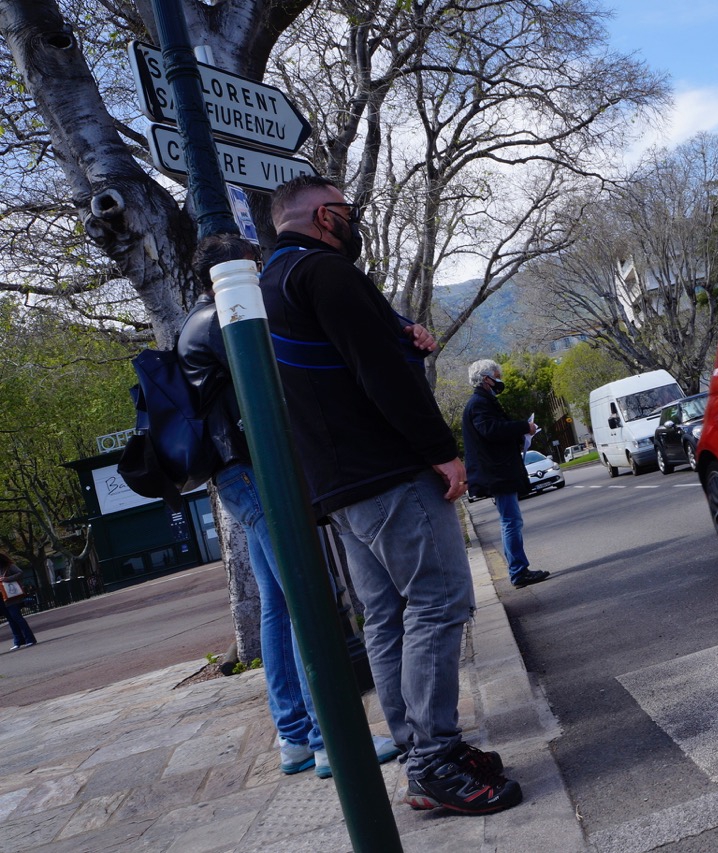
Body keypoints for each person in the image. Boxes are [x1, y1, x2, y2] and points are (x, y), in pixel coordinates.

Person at [260, 175, 521, 815]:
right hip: (388, 472)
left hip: (340, 487)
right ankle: (434, 758)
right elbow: (375, 372)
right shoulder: (326, 273)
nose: (354, 223)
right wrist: (440, 449)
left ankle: (419, 753)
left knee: (386, 616)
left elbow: (340, 362)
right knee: (438, 601)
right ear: (326, 216)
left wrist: (402, 332)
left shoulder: (272, 284)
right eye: (348, 213)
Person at [179, 233, 401, 779]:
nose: (259, 276)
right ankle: (332, 740)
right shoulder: (224, 321)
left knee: (279, 604)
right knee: (309, 595)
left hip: (236, 477)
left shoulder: (195, 323)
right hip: (256, 475)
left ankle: (295, 737)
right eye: (252, 266)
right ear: (230, 271)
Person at [462, 359, 551, 589]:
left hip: (497, 471)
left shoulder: (482, 402)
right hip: (497, 472)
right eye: (496, 375)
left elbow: (493, 432)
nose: (499, 378)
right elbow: (491, 430)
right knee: (511, 520)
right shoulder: (480, 403)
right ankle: (519, 571)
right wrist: (523, 427)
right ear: (486, 380)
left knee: (510, 520)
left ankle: (518, 569)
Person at [0, 552, 37, 650]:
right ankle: (18, 641)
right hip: (3, 598)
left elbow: (20, 573)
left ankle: (30, 639)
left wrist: (7, 579)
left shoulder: (9, 566)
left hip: (12, 596)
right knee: (11, 620)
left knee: (17, 617)